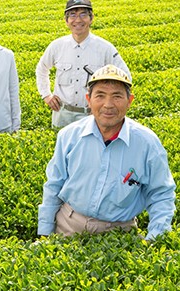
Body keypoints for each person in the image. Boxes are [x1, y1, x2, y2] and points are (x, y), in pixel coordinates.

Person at [38, 64, 176, 241]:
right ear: (89, 100)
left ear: (130, 101)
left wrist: (155, 238)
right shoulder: (69, 136)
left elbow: (161, 194)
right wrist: (45, 232)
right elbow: (54, 185)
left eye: (117, 96)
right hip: (69, 225)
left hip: (119, 232)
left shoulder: (147, 143)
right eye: (100, 95)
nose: (108, 104)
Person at [36, 0, 132, 128]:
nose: (78, 20)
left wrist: (104, 103)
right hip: (62, 114)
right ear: (66, 20)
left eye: (83, 14)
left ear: (91, 18)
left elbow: (125, 76)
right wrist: (46, 95)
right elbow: (42, 69)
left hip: (91, 116)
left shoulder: (105, 48)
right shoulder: (57, 46)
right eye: (72, 15)